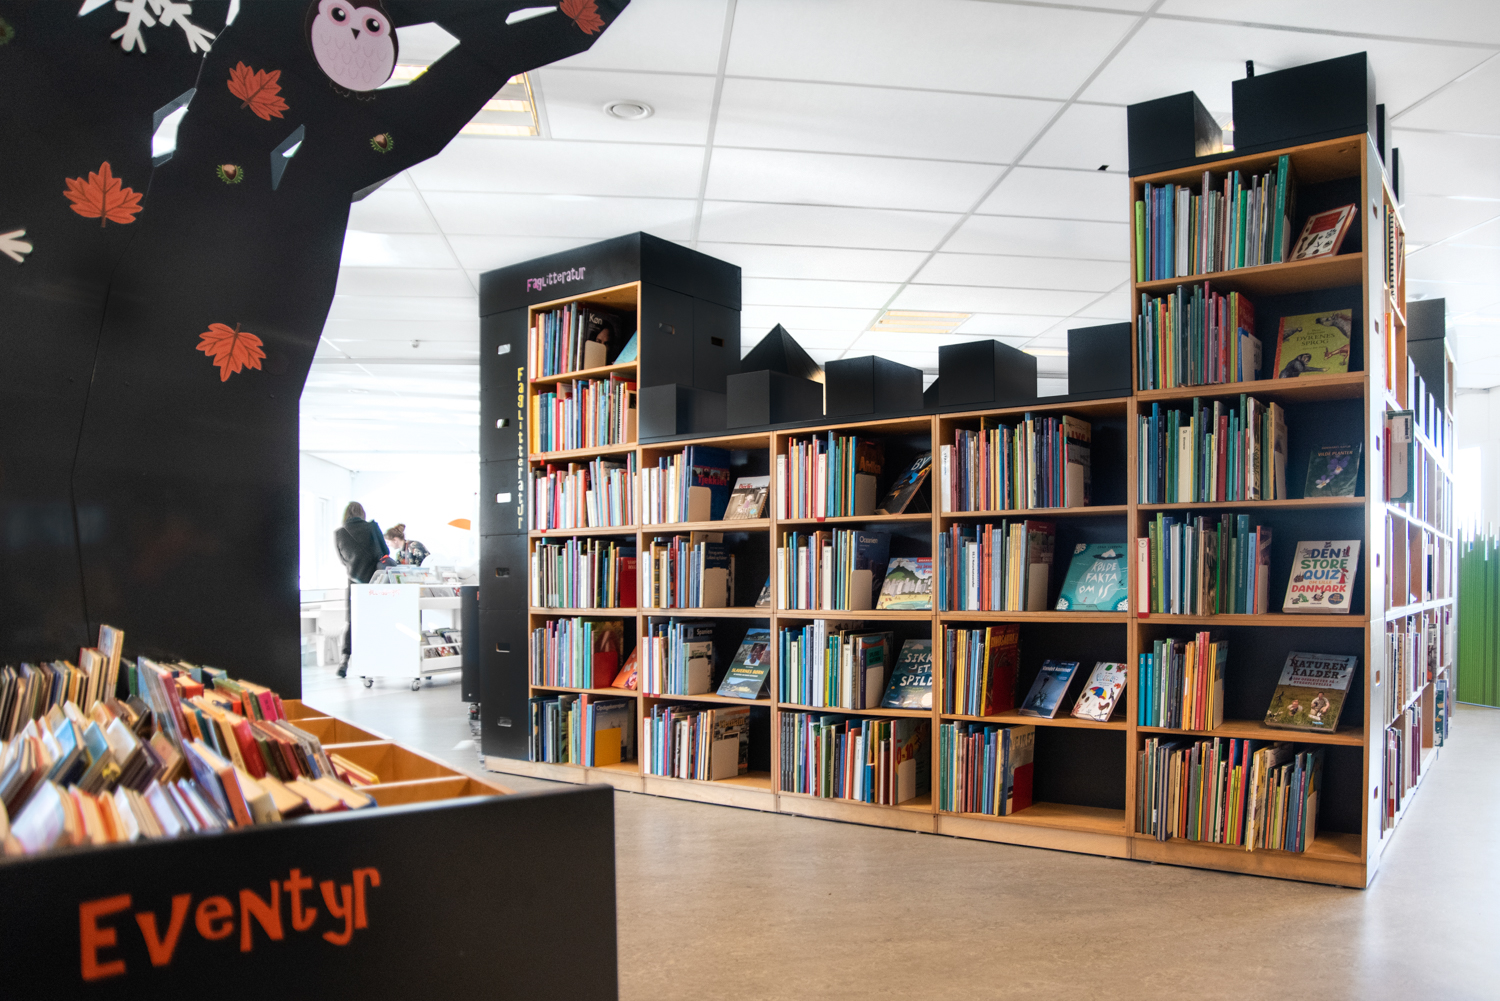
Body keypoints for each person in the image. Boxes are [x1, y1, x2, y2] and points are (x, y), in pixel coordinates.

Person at [334, 502, 389, 678]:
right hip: (374, 581)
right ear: (362, 513)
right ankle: (372, 661)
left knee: (352, 621)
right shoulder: (372, 527)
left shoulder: (340, 533)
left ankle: (344, 660)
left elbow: (343, 560)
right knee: (375, 621)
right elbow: (385, 553)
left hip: (353, 582)